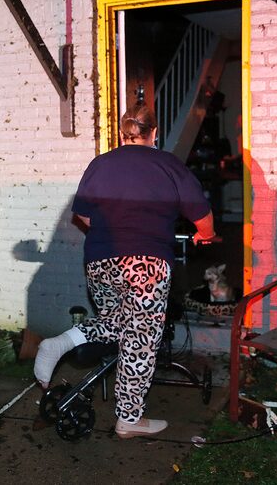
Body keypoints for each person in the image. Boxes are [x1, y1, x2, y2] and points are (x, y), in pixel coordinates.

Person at [34, 104, 216, 439]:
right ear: (155, 133)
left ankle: (60, 343)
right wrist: (206, 235)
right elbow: (203, 216)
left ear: (122, 133)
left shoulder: (100, 164)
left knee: (121, 322)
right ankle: (129, 419)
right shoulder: (168, 165)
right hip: (145, 264)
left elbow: (84, 217)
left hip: (99, 262)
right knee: (139, 338)